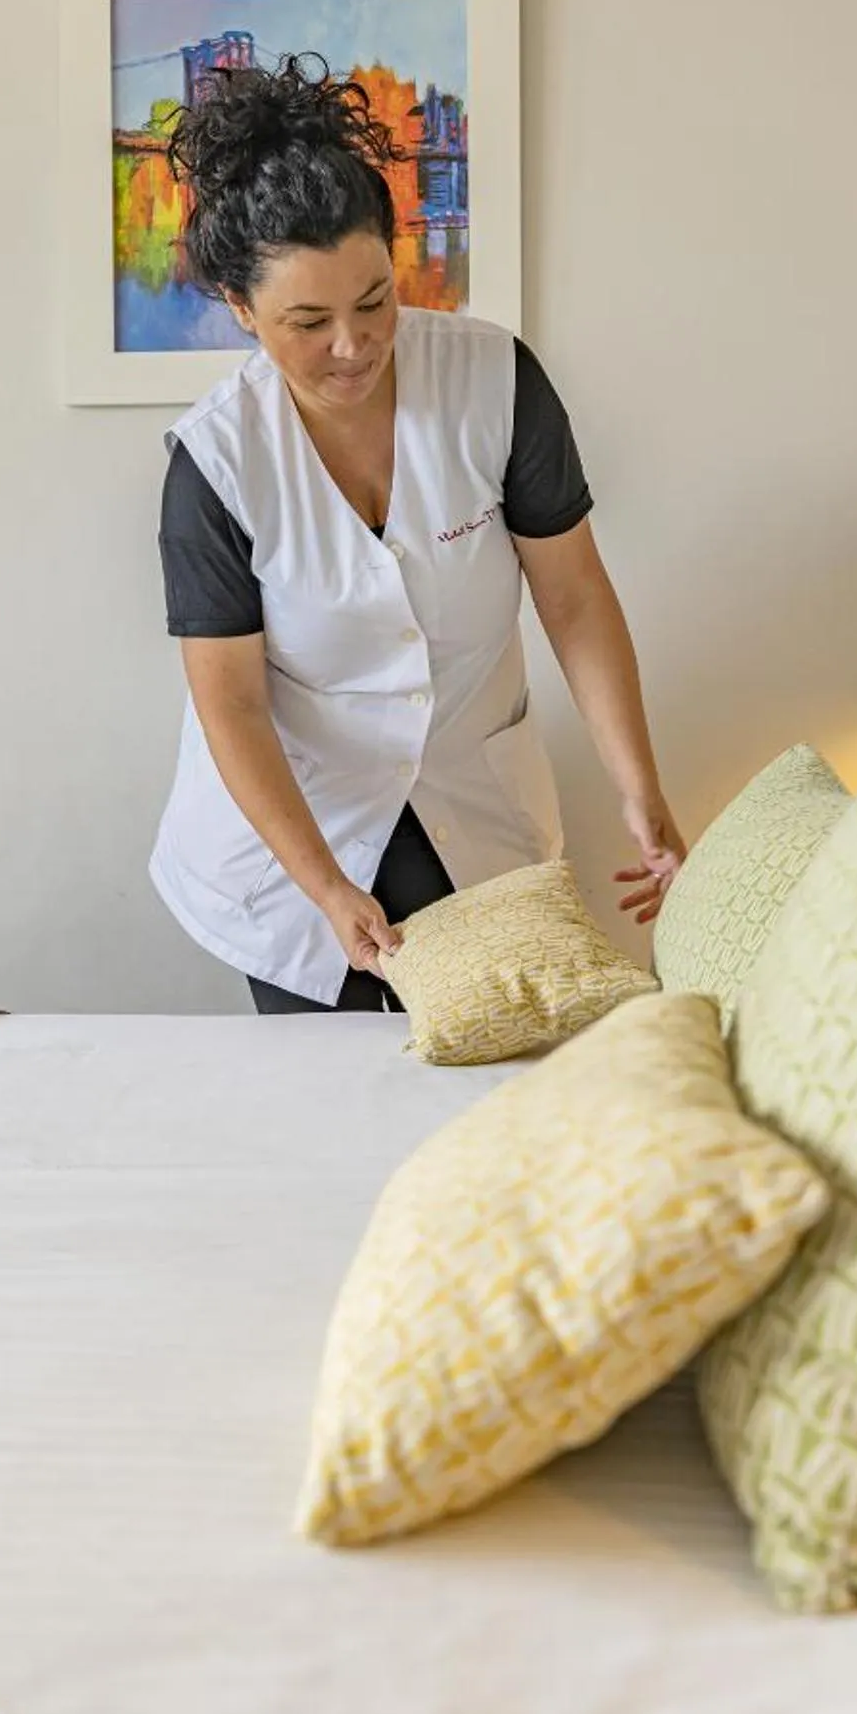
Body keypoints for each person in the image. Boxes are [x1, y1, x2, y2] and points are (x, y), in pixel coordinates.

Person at [148, 55, 686, 1015]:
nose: (353, 345)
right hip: (296, 833)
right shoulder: (217, 463)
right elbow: (229, 703)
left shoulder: (493, 382)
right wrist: (323, 886)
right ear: (240, 310)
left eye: (374, 302)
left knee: (486, 1081)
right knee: (333, 1097)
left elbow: (573, 594)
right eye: (308, 322)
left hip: (469, 799)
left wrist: (636, 786)